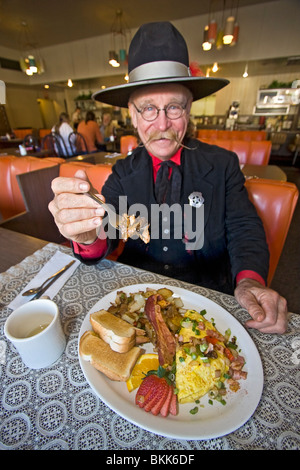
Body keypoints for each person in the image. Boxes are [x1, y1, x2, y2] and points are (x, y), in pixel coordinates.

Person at [49, 22, 288, 334]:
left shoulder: (223, 164)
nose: (162, 124)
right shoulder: (123, 172)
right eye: (148, 108)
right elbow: (102, 235)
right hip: (139, 298)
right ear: (132, 116)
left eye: (173, 107)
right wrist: (84, 236)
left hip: (209, 300)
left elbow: (245, 229)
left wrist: (250, 282)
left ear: (188, 111)